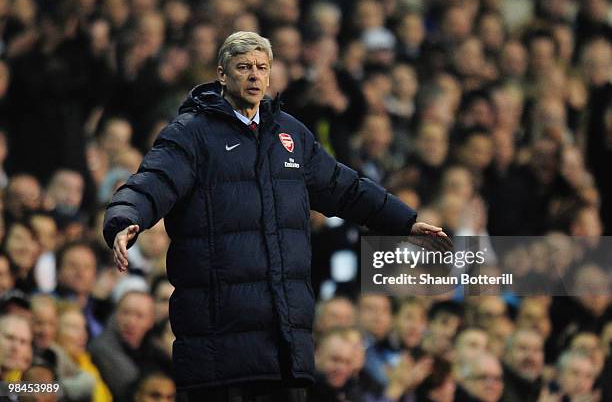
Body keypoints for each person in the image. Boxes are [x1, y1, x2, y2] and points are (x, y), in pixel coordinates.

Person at [103, 31, 450, 402]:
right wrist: (125, 218)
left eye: (261, 67)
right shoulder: (191, 134)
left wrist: (403, 221)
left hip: (283, 347)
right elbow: (153, 181)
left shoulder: (291, 134)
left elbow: (344, 187)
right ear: (222, 74)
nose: (254, 75)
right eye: (243, 67)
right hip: (219, 348)